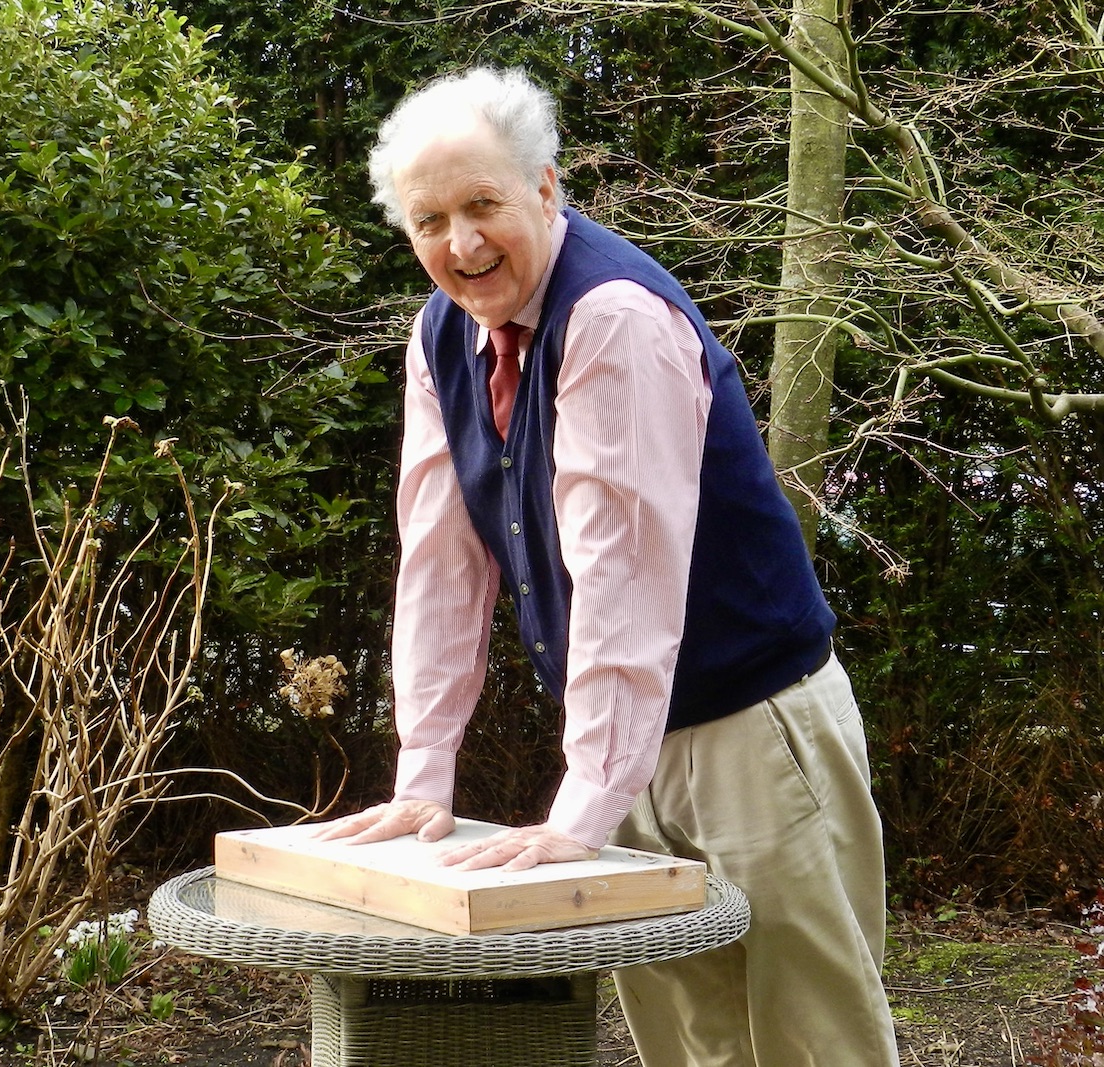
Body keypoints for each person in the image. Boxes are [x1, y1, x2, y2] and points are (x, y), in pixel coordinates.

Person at [314, 66, 899, 1067]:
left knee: (812, 1041)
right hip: (625, 737)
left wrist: (583, 805)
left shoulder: (611, 317)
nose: (462, 243)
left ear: (546, 188)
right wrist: (425, 775)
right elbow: (440, 565)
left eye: (485, 203)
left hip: (752, 727)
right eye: (430, 219)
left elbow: (621, 576)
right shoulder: (440, 335)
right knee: (689, 1044)